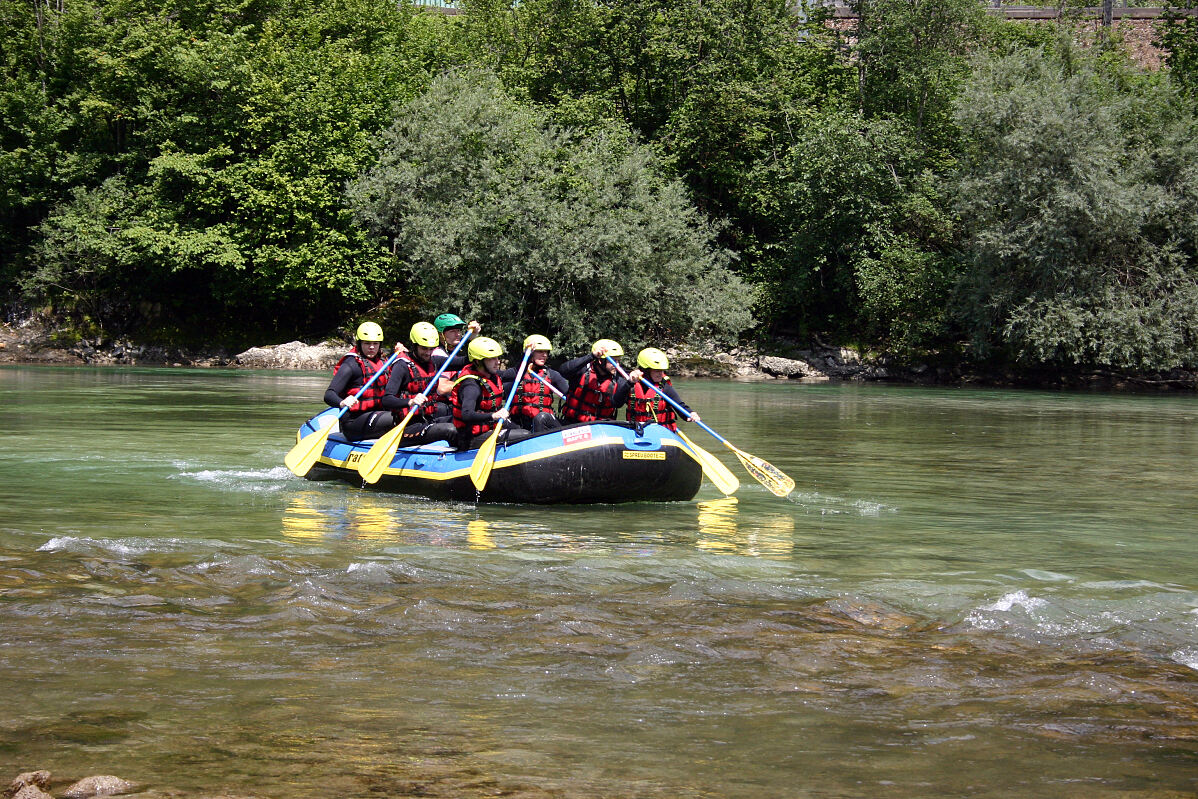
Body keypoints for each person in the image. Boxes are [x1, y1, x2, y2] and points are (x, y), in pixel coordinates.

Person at [380, 321, 463, 445]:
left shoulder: (434, 361)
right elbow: (386, 400)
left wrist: (473, 338)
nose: (428, 353)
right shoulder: (402, 366)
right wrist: (410, 401)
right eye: (424, 348)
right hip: (406, 427)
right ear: (415, 345)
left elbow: (464, 361)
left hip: (428, 420)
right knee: (450, 430)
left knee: (463, 419)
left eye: (431, 349)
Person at [449, 337, 532, 450]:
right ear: (478, 361)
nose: (497, 362)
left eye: (497, 357)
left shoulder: (491, 375)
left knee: (522, 430)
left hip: (489, 427)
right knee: (524, 436)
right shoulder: (471, 386)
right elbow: (466, 414)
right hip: (471, 437)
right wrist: (493, 415)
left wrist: (527, 354)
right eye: (491, 359)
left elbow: (516, 373)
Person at [323, 322, 395, 442]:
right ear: (360, 343)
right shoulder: (351, 364)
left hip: (377, 415)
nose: (371, 347)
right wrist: (342, 402)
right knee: (396, 418)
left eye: (375, 343)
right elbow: (329, 394)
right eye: (367, 343)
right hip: (354, 423)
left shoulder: (383, 362)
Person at [502, 334, 567, 434]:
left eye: (546, 352)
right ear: (530, 353)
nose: (544, 355)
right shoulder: (515, 374)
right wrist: (526, 357)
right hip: (519, 424)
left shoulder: (552, 375)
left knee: (540, 419)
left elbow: (570, 393)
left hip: (544, 424)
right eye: (540, 351)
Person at [559, 338, 633, 424]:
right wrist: (591, 356)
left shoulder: (619, 380)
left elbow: (618, 404)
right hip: (573, 424)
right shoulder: (582, 372)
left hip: (601, 427)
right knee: (544, 418)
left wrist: (629, 384)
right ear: (600, 361)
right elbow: (563, 371)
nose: (617, 365)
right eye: (613, 361)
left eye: (618, 361)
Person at [625, 347, 700, 432]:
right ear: (645, 370)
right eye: (657, 370)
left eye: (662, 370)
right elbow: (616, 402)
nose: (661, 374)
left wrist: (690, 413)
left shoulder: (664, 387)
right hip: (635, 430)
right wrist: (629, 383)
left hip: (661, 432)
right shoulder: (630, 384)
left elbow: (679, 405)